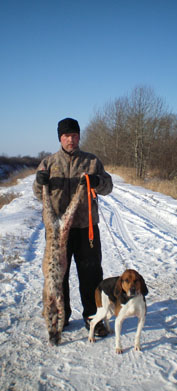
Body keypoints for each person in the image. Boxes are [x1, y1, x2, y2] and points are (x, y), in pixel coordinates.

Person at [33, 117, 113, 337]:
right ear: (60, 138)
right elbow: (36, 192)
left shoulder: (92, 162)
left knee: (91, 274)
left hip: (86, 228)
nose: (71, 139)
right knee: (59, 276)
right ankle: (62, 316)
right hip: (58, 232)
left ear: (79, 136)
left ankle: (93, 319)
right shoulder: (48, 163)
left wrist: (97, 182)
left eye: (74, 135)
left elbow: (109, 186)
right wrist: (40, 181)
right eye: (67, 136)